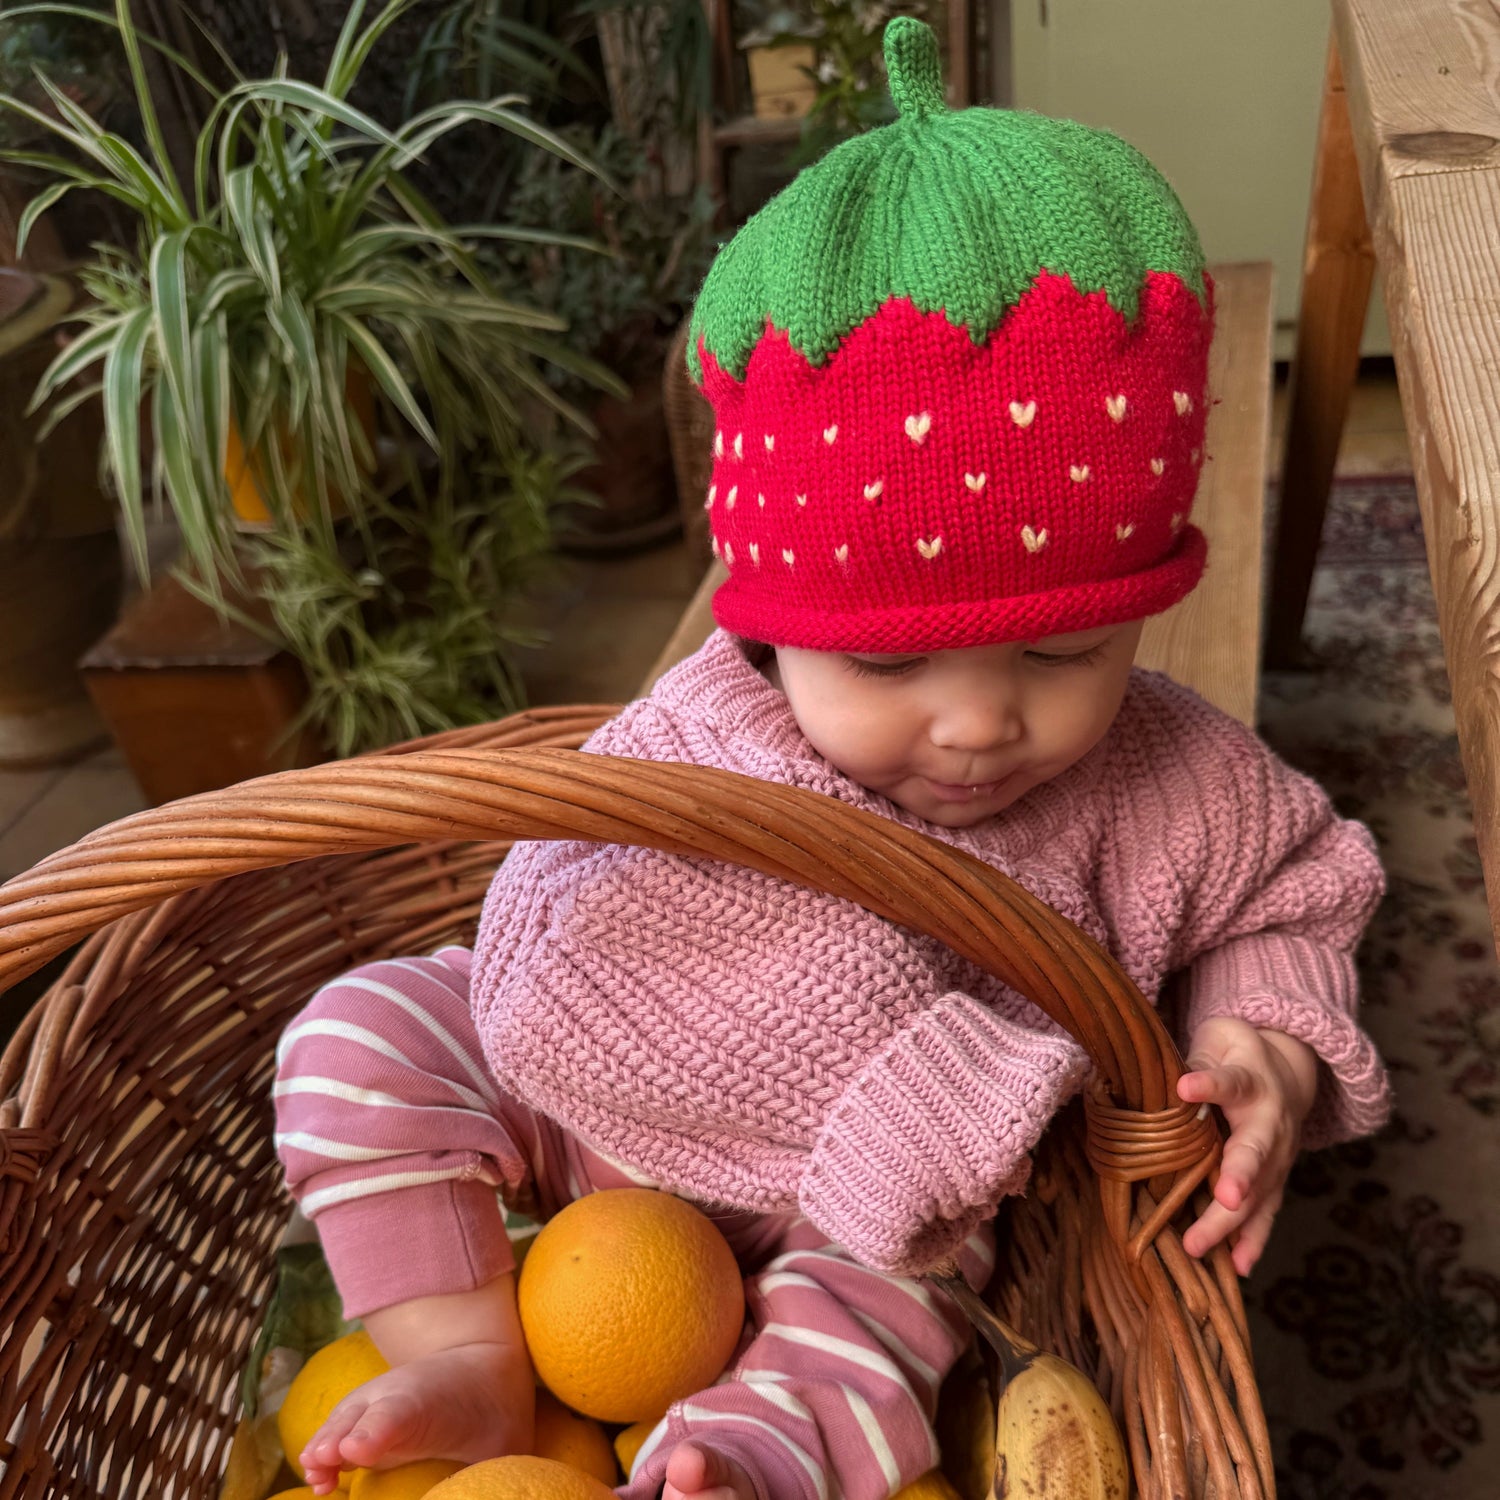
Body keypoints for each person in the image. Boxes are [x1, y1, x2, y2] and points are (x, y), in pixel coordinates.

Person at [273, 19, 1390, 1500]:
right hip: (592, 1123)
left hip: (863, 1211)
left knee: (909, 1294)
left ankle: (749, 1454)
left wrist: (1267, 1038)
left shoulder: (1171, 779)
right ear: (772, 626)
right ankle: (467, 1350)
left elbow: (1295, 886)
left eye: (1067, 651)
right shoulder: (698, 736)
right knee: (366, 1030)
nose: (983, 724)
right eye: (882, 663)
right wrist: (862, 1056)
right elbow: (545, 946)